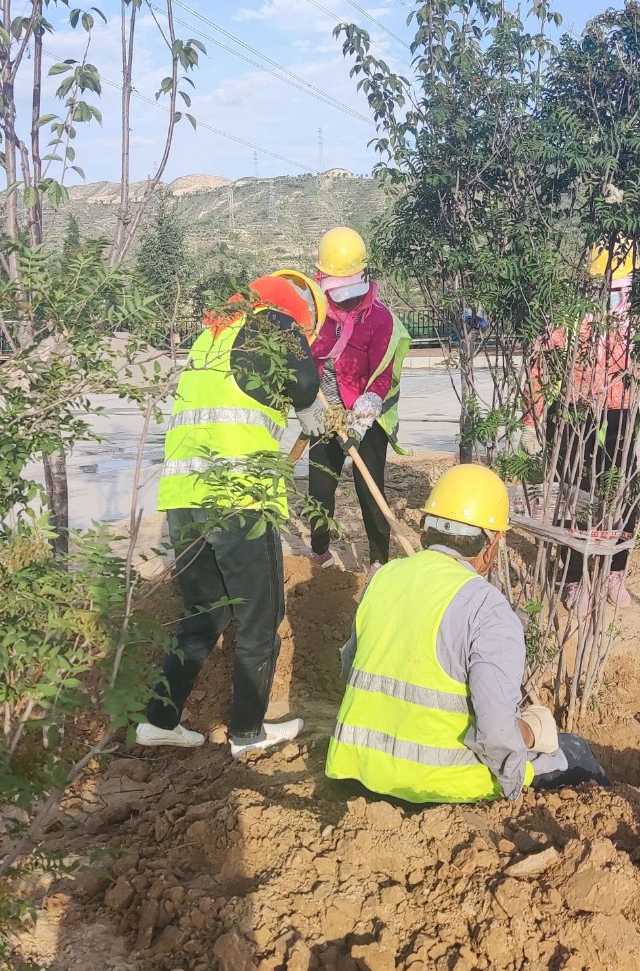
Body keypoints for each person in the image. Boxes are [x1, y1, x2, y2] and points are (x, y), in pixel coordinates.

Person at [325, 464, 611, 804]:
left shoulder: (383, 578)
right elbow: (495, 736)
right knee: (574, 751)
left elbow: (350, 668)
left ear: (424, 534)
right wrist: (530, 740)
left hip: (356, 771)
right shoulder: (487, 609)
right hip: (435, 786)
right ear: (492, 546)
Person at [136, 272, 327, 757]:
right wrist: (312, 407)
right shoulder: (275, 324)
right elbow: (304, 380)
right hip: (239, 501)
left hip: (185, 499)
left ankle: (159, 721)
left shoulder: (212, 336)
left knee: (205, 615)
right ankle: (248, 733)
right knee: (262, 618)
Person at [520, 243, 640, 607]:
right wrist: (531, 420)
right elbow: (541, 369)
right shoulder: (568, 318)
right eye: (605, 287)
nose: (612, 296)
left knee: (620, 492)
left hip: (619, 417)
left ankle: (614, 570)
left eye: (620, 288)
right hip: (573, 416)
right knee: (572, 495)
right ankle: (574, 575)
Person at [307, 226, 409, 573]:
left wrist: (362, 415)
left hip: (367, 416)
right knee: (320, 486)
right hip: (326, 414)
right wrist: (311, 405)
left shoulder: (380, 319)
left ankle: (379, 561)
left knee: (370, 489)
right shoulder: (317, 317)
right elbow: (310, 361)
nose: (345, 298)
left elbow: (382, 374)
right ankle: (319, 552)